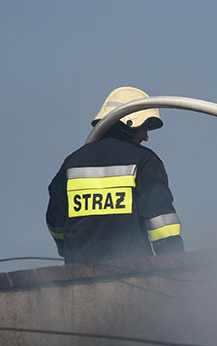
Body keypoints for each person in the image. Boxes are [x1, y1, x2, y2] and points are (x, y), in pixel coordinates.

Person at [46, 86, 184, 264]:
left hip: (77, 273)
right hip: (134, 272)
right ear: (130, 123)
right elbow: (162, 224)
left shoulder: (72, 163)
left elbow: (55, 221)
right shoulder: (144, 161)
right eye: (144, 127)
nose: (146, 136)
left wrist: (68, 249)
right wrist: (176, 265)